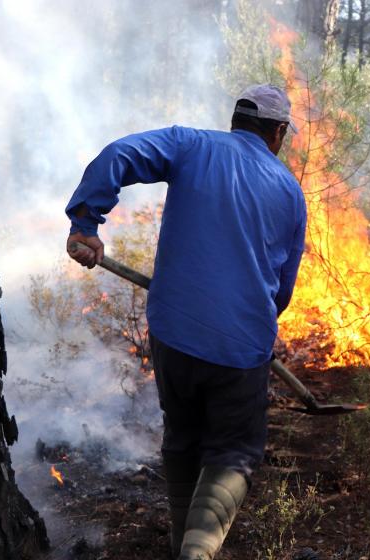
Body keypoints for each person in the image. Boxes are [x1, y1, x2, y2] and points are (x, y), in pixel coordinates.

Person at [64, 84, 307, 560]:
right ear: (278, 132)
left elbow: (119, 154)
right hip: (240, 346)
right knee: (232, 453)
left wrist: (85, 224)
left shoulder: (191, 143)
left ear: (236, 121)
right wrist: (256, 324)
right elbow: (283, 289)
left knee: (183, 437)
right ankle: (195, 553)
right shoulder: (290, 192)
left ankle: (183, 544)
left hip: (173, 334)